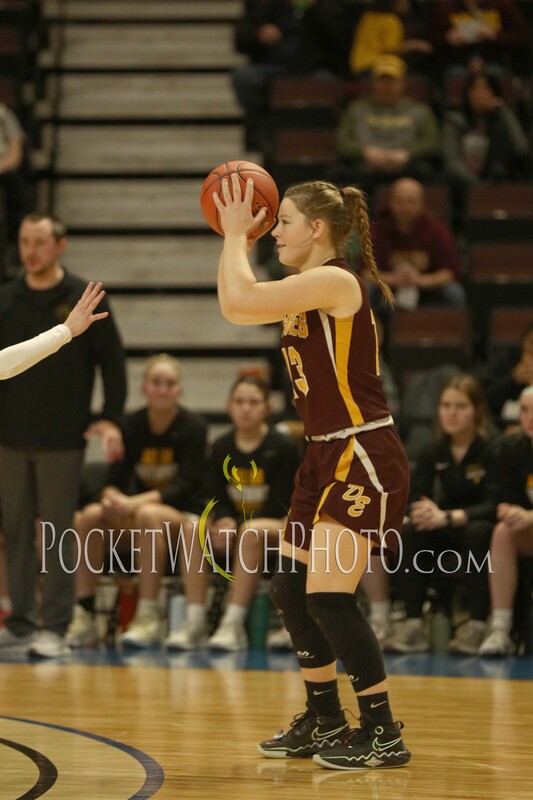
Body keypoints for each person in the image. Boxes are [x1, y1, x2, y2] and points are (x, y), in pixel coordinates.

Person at [213, 175, 411, 770]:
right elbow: (235, 306)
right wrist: (234, 241)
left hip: (363, 452)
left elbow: (239, 302)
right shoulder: (305, 287)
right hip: (321, 455)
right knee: (291, 589)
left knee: (328, 597)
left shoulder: (334, 281)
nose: (275, 233)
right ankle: (325, 720)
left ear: (317, 230)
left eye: (284, 223)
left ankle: (382, 733)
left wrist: (232, 236)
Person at [0, 213, 127, 659]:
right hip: (8, 436)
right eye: (23, 241)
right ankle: (18, 622)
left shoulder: (81, 297)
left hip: (61, 435)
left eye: (38, 241)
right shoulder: (6, 299)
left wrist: (110, 417)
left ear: (60, 245)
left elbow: (113, 364)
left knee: (54, 530)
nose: (29, 250)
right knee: (14, 530)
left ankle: (54, 623)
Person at [66, 353, 208, 650]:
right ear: (144, 388)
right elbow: (112, 479)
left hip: (181, 518)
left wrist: (134, 503)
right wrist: (111, 498)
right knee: (91, 515)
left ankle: (148, 615)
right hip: (138, 513)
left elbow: (184, 487)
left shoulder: (194, 426)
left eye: (170, 383)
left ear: (179, 390)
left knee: (149, 515)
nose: (163, 389)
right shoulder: (130, 425)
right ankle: (85, 613)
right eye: (156, 382)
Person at [165, 373, 300, 652]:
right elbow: (213, 494)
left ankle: (233, 623)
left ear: (267, 408)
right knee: (192, 528)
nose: (246, 408)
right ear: (229, 406)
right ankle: (195, 622)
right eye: (239, 401)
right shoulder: (221, 446)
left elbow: (283, 502)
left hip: (277, 526)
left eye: (253, 402)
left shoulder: (283, 447)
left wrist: (236, 525)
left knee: (250, 532)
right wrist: (222, 520)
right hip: (237, 527)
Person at [386, 374, 497, 654]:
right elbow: (413, 497)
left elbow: (497, 502)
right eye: (446, 405)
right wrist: (423, 511)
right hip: (443, 522)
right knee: (407, 532)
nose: (452, 413)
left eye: (461, 406)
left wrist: (452, 516)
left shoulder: (492, 448)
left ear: (478, 411)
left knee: (477, 532)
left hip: (479, 525)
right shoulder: (433, 449)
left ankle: (478, 624)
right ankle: (413, 625)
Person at [232, 0, 349, 151]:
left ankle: (324, 137)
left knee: (328, 83)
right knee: (244, 78)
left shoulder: (329, 8)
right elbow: (241, 40)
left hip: (313, 70)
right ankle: (262, 128)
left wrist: (316, 12)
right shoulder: (266, 6)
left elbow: (341, 44)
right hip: (272, 69)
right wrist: (258, 34)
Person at [328, 55, 440, 198]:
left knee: (428, 172)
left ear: (403, 82)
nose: (386, 86)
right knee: (338, 175)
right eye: (382, 80)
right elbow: (343, 142)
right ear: (373, 83)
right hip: (365, 168)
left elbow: (431, 143)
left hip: (407, 167)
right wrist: (365, 152)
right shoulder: (356, 109)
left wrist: (407, 154)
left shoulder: (421, 111)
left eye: (392, 80)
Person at [478, 385, 533, 656]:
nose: (530, 417)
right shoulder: (511, 448)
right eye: (525, 410)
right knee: (502, 531)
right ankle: (500, 627)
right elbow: (499, 497)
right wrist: (508, 511)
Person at [360, 177, 466, 316]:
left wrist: (420, 280)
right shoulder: (376, 232)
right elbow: (364, 273)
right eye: (400, 201)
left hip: (426, 291)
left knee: (454, 292)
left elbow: (450, 272)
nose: (405, 207)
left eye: (411, 202)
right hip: (387, 291)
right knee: (364, 290)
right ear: (391, 202)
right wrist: (395, 279)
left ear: (422, 204)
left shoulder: (437, 230)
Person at [443, 71, 529, 191]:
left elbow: (521, 148)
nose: (479, 93)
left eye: (485, 88)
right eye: (474, 88)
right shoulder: (454, 121)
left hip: (495, 182)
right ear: (467, 93)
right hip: (462, 186)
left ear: (494, 93)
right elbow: (451, 162)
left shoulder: (500, 123)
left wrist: (503, 110)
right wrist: (478, 184)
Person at [427, 0, 529, 79]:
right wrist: (448, 38)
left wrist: (494, 36)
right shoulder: (447, 7)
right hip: (459, 63)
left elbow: (522, 36)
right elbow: (430, 40)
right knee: (456, 76)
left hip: (494, 61)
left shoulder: (502, 4)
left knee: (499, 76)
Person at [475, 321, 533, 431]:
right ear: (523, 344)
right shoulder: (506, 361)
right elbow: (480, 399)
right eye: (532, 343)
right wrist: (512, 380)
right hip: (503, 429)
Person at [349, 0, 432, 76]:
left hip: (357, 65)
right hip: (377, 66)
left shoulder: (367, 16)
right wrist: (415, 45)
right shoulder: (391, 21)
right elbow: (392, 50)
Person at [0, 103, 30, 265]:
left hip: (3, 171)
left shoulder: (4, 115)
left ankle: (14, 243)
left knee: (13, 183)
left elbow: (15, 155)